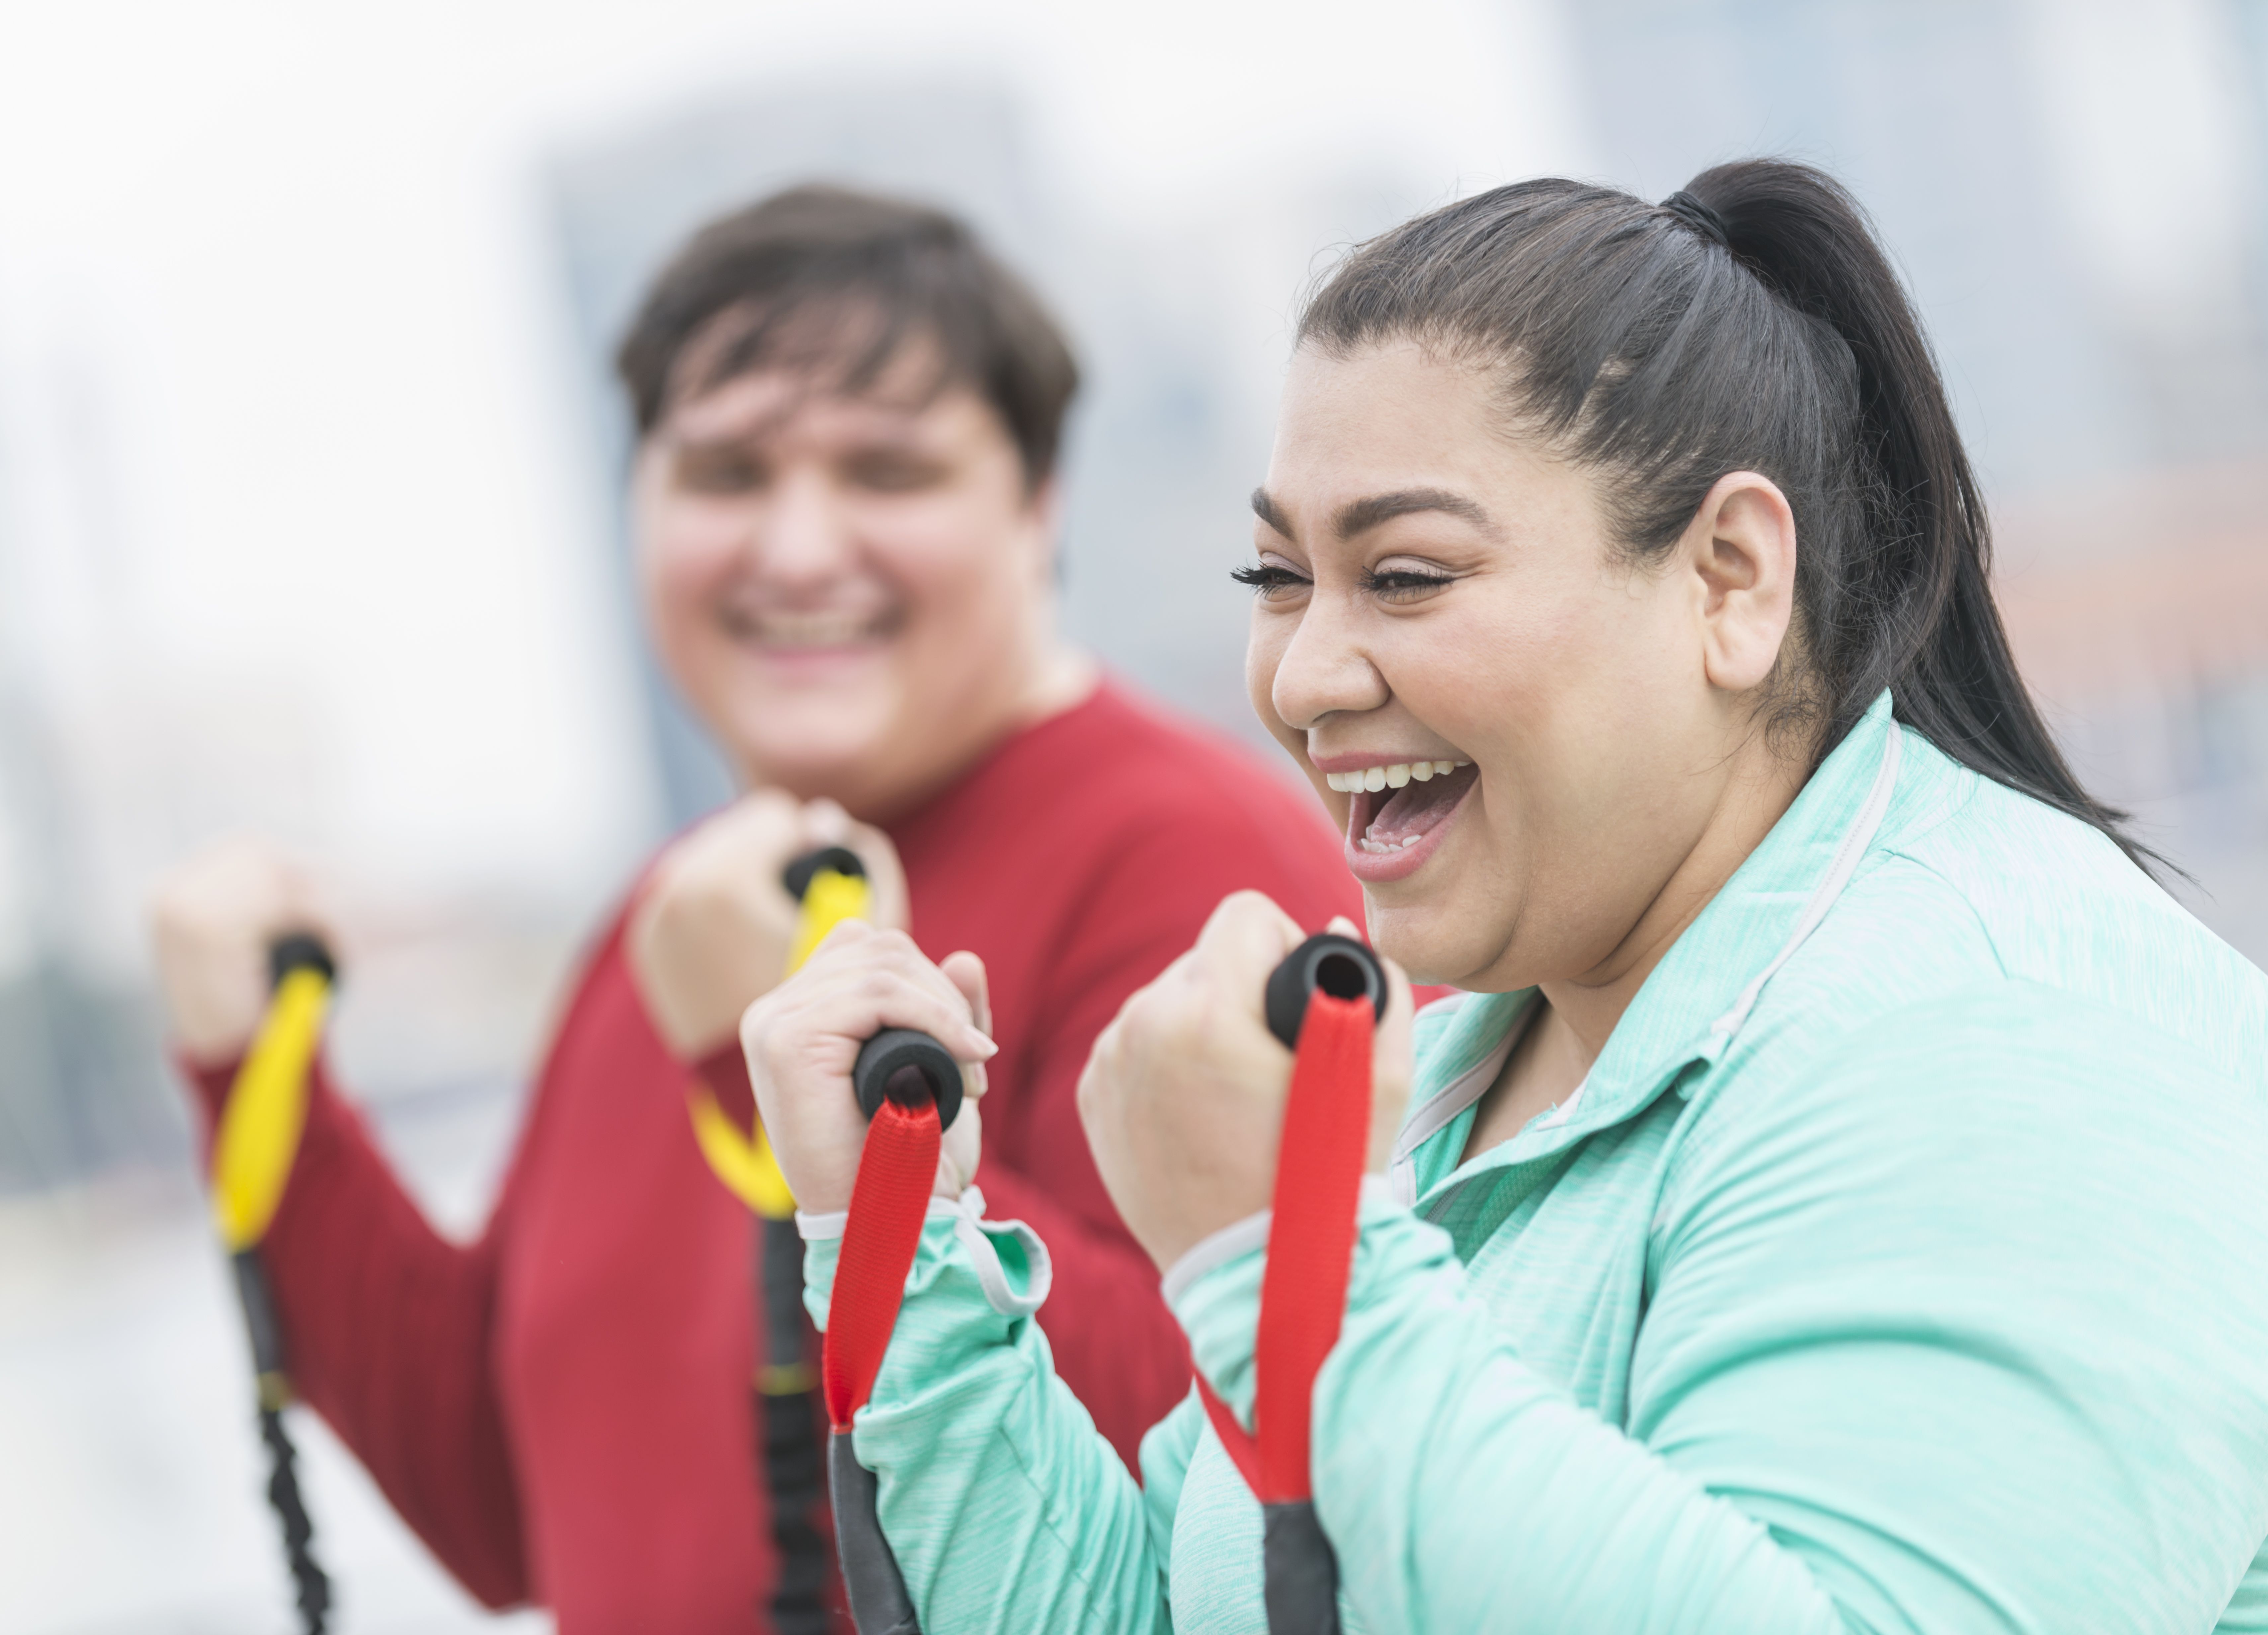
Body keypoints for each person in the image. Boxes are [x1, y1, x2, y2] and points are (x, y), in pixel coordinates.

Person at [743, 160, 2268, 1631]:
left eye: (1403, 577)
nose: (1306, 674)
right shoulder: (1457, 1067)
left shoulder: (1996, 1028)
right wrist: (906, 1241)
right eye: (1277, 581)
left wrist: (1287, 1262)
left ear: (1730, 578)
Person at [150, 184, 1360, 1633]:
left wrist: (777, 1067)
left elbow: (1246, 1457)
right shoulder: (674, 911)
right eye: (724, 474)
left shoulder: (1187, 859)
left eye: (885, 471)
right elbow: (498, 1499)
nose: (795, 549)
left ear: (1038, 506)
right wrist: (252, 1080)